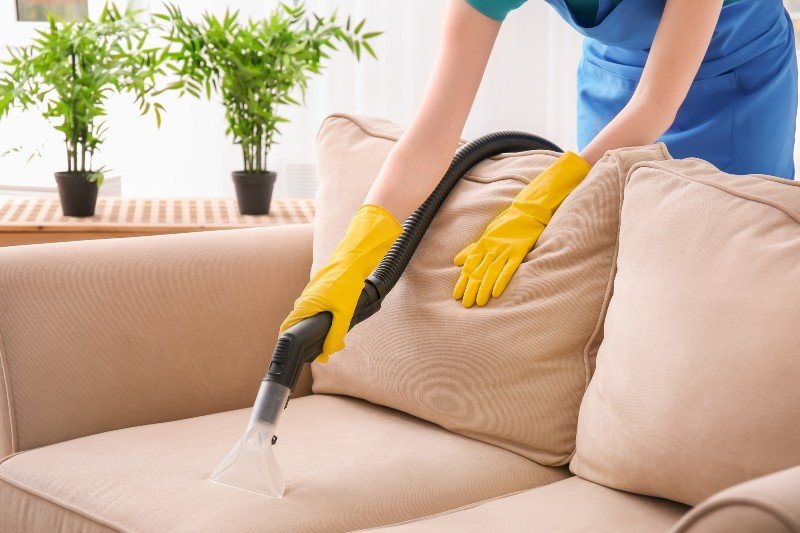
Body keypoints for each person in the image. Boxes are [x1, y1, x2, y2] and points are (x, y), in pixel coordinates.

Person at [281, 0, 798, 360]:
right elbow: (434, 130)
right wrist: (351, 258)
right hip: (616, 74)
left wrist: (542, 197)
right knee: (608, 246)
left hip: (736, 67)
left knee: (724, 259)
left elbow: (656, 104)